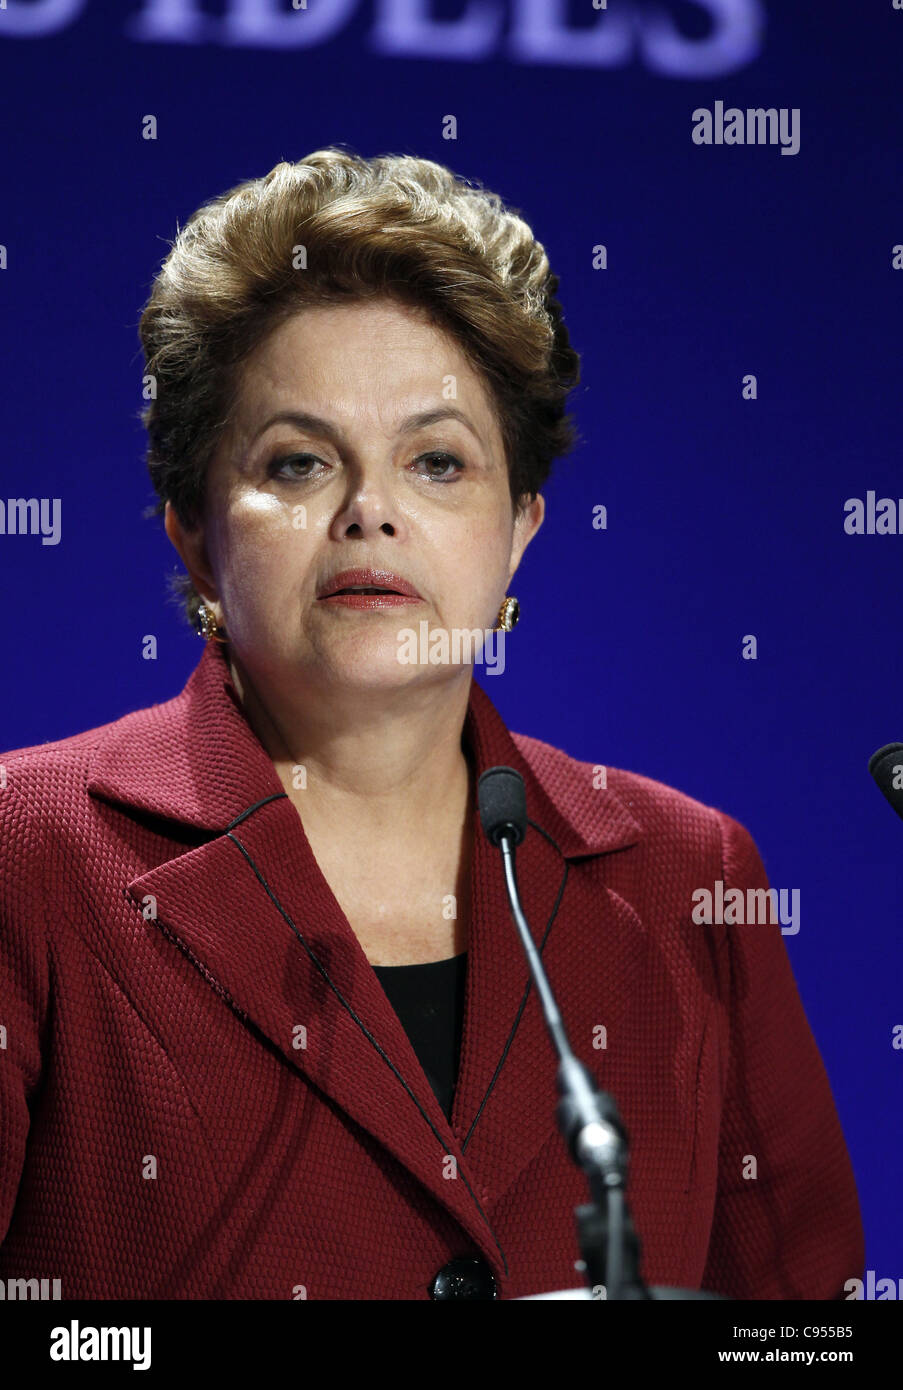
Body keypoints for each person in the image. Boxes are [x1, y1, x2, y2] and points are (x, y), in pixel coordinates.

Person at [0, 148, 863, 1300]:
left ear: (517, 532)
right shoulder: (31, 849)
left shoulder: (686, 875)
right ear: (195, 535)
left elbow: (800, 1325)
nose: (371, 513)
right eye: (299, 462)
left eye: (438, 462)